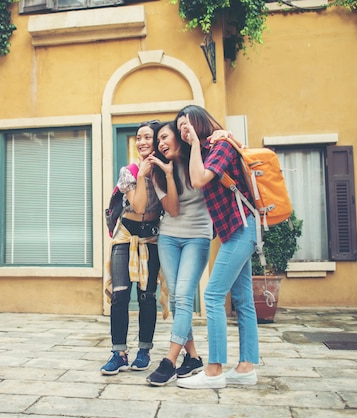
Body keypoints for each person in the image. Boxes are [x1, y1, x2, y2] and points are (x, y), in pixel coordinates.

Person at [174, 105, 259, 390]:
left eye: (186, 125)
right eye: (180, 129)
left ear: (198, 122)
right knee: (243, 299)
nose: (183, 132)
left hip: (242, 229)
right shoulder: (209, 149)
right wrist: (194, 146)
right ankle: (246, 367)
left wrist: (196, 142)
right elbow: (196, 176)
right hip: (236, 231)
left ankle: (214, 370)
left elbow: (199, 180)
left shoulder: (220, 145)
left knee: (212, 295)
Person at [144, 121, 213, 386]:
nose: (161, 143)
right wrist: (169, 173)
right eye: (158, 141)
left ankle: (170, 361)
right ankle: (193, 357)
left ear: (178, 137)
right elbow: (172, 209)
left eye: (164, 137)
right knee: (176, 299)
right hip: (169, 237)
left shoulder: (199, 158)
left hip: (197, 236)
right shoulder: (159, 172)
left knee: (183, 297)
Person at [101, 120, 165, 375]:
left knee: (147, 297)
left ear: (158, 141)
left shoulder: (165, 171)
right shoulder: (128, 171)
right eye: (139, 137)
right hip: (125, 236)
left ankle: (144, 351)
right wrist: (141, 175)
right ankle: (118, 353)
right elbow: (138, 206)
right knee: (119, 295)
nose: (142, 142)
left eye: (147, 137)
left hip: (150, 238)